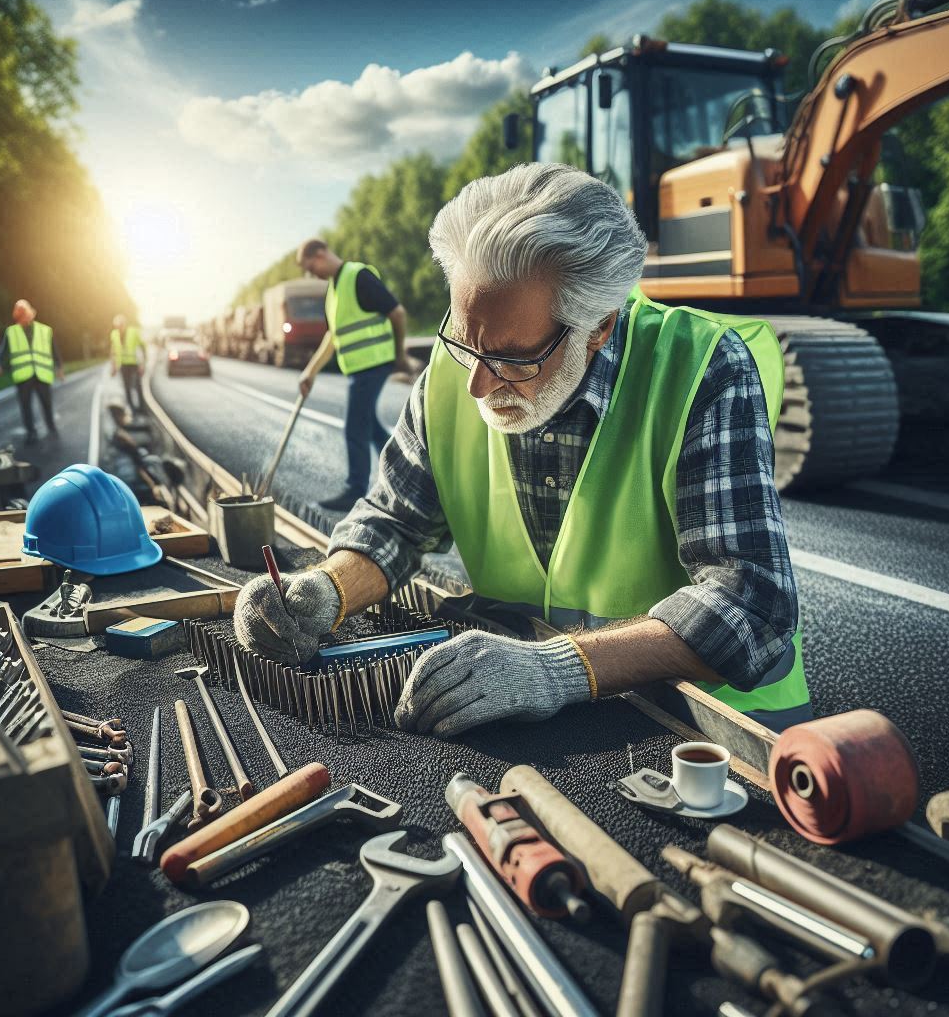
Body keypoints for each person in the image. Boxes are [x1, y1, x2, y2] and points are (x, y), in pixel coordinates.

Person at [235, 164, 810, 737]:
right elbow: (396, 523)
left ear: (598, 328)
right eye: (465, 343)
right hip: (537, 715)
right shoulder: (457, 372)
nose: (477, 385)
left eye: (513, 358)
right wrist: (326, 588)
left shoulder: (702, 367)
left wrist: (557, 669)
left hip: (709, 733)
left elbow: (750, 604)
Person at [295, 239, 419, 511]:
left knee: (355, 427)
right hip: (360, 368)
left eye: (311, 267)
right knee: (370, 427)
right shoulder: (333, 292)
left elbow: (397, 313)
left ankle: (355, 490)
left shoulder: (358, 276)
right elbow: (332, 337)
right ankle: (407, 478)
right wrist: (310, 372)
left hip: (374, 363)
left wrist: (399, 354)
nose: (312, 274)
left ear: (320, 254)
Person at [0, 299, 64, 445]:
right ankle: (31, 433)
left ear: (31, 313)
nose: (24, 318)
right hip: (23, 375)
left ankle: (51, 426)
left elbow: (54, 349)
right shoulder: (11, 332)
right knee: (25, 406)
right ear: (17, 317)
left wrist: (59, 367)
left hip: (42, 373)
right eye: (20, 316)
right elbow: (3, 350)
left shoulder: (45, 330)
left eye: (25, 314)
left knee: (46, 403)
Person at [110, 314, 145, 412]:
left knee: (137, 385)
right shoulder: (114, 334)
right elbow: (113, 351)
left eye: (121, 325)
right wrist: (113, 366)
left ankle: (142, 408)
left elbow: (141, 347)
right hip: (123, 365)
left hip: (134, 364)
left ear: (124, 324)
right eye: (117, 326)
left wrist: (142, 364)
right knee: (126, 387)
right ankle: (132, 408)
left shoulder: (133, 332)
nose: (119, 328)